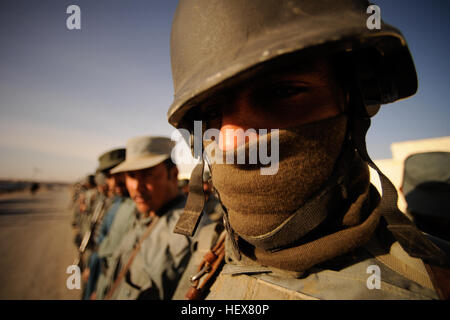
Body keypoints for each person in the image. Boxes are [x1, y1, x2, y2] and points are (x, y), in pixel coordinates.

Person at [167, 0, 449, 299]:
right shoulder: (214, 248)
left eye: (282, 92)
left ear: (351, 100)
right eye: (212, 112)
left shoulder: (433, 280)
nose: (231, 143)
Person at [95, 136, 207, 300]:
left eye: (148, 174)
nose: (137, 187)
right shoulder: (141, 214)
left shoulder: (192, 228)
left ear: (173, 173)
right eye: (131, 176)